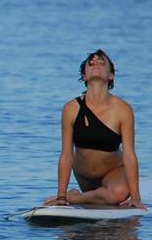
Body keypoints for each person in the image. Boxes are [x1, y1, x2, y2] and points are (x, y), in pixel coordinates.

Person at [44, 49, 145, 209]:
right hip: (84, 176)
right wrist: (61, 196)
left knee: (118, 193)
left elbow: (129, 155)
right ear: (84, 76)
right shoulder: (71, 109)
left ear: (111, 75)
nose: (95, 64)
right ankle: (80, 195)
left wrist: (136, 197)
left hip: (114, 172)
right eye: (91, 63)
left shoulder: (123, 110)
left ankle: (76, 198)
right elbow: (66, 155)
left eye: (101, 62)